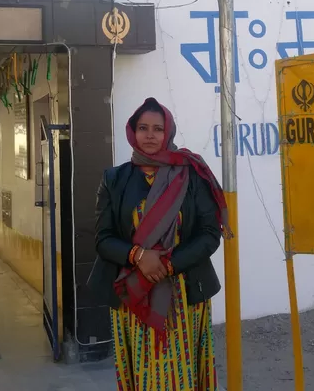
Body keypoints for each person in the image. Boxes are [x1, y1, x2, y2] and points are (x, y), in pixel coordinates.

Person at [92, 97, 231, 390]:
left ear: (168, 131)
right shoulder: (115, 179)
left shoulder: (191, 175)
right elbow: (103, 239)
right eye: (143, 128)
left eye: (157, 128)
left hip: (184, 288)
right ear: (133, 132)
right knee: (142, 371)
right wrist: (138, 256)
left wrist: (167, 264)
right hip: (133, 292)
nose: (150, 135)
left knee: (182, 371)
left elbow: (209, 232)